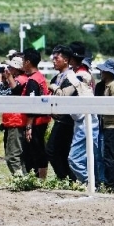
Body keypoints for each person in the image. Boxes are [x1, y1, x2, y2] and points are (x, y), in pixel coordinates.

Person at [64, 42, 98, 184]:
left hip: (85, 120)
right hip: (86, 119)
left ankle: (88, 182)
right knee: (96, 156)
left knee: (74, 159)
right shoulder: (83, 73)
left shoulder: (79, 75)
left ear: (71, 58)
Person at [46, 44, 78, 180]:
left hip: (68, 121)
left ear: (66, 60)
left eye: (56, 58)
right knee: (60, 152)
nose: (54, 61)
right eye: (53, 58)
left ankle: (66, 177)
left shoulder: (72, 78)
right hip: (59, 120)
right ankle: (68, 179)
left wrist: (54, 88)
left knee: (52, 150)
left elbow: (64, 97)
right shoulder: (56, 78)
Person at [20, 49, 51, 179]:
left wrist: (29, 126)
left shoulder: (33, 81)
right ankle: (40, 178)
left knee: (35, 151)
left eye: (23, 60)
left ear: (28, 62)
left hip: (36, 122)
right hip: (42, 119)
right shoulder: (40, 77)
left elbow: (31, 105)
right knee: (38, 150)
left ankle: (39, 179)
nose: (22, 63)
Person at [95, 58, 114, 192]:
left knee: (110, 156)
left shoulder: (113, 85)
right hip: (109, 123)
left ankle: (111, 184)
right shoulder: (106, 84)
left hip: (112, 124)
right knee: (113, 155)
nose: (101, 72)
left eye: (103, 71)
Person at [0, 55, 29, 176]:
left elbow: (2, 95)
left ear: (16, 69)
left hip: (16, 121)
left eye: (10, 67)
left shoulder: (19, 80)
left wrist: (0, 82)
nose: (7, 69)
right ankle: (24, 178)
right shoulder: (21, 79)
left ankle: (20, 180)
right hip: (14, 120)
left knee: (12, 156)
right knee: (18, 155)